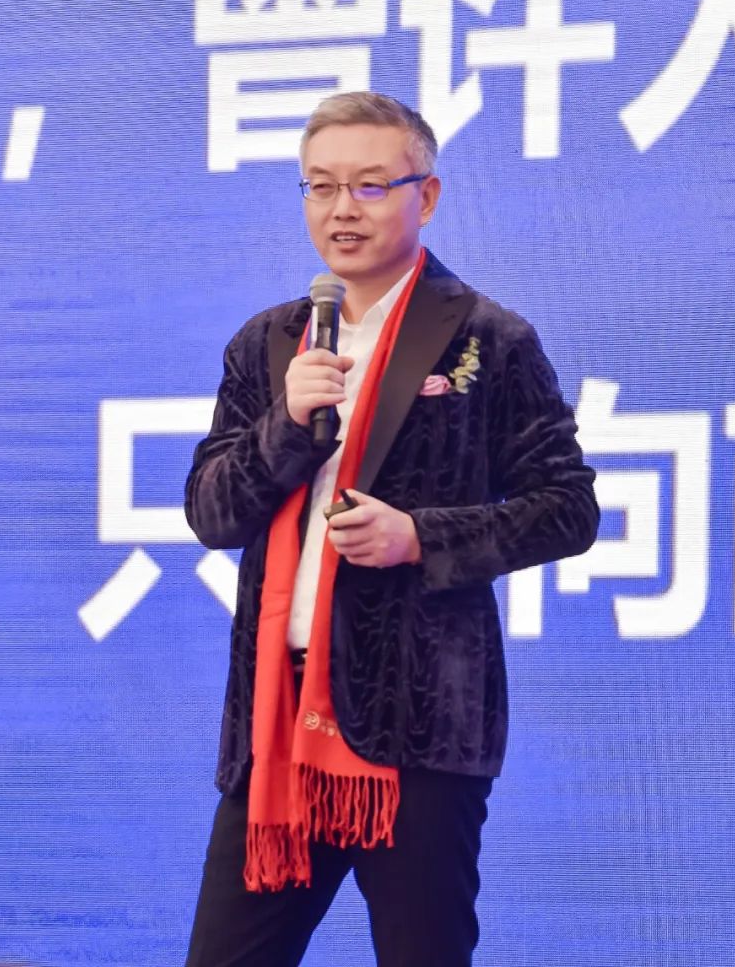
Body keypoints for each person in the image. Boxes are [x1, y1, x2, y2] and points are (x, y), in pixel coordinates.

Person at [183, 91, 599, 967]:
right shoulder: (269, 343)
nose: (343, 209)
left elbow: (567, 507)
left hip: (420, 726)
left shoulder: (487, 339)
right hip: (277, 726)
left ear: (427, 196)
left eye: (371, 185)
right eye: (321, 186)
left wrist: (421, 537)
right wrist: (284, 426)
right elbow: (212, 511)